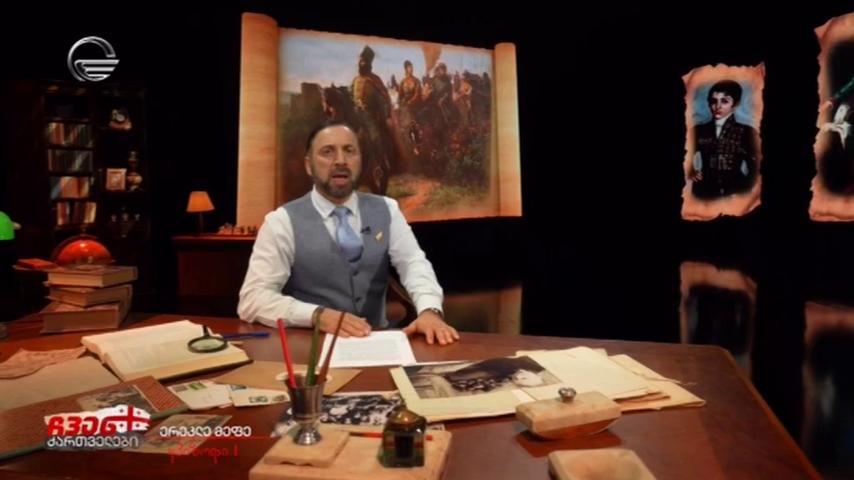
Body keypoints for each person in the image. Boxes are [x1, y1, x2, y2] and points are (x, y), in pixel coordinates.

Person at [237, 120, 460, 345]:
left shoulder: (387, 209)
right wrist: (317, 316)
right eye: (327, 152)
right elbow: (252, 299)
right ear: (308, 165)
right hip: (311, 349)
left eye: (349, 151)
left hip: (375, 343)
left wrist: (430, 311)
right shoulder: (281, 221)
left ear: (360, 161)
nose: (341, 161)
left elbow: (413, 264)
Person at [688, 80, 760, 199]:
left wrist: (746, 189)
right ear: (709, 103)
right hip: (704, 190)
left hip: (735, 191)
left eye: (724, 101)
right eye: (713, 101)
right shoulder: (698, 130)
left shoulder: (747, 132)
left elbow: (757, 165)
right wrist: (690, 170)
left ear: (735, 104)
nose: (718, 106)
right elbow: (686, 155)